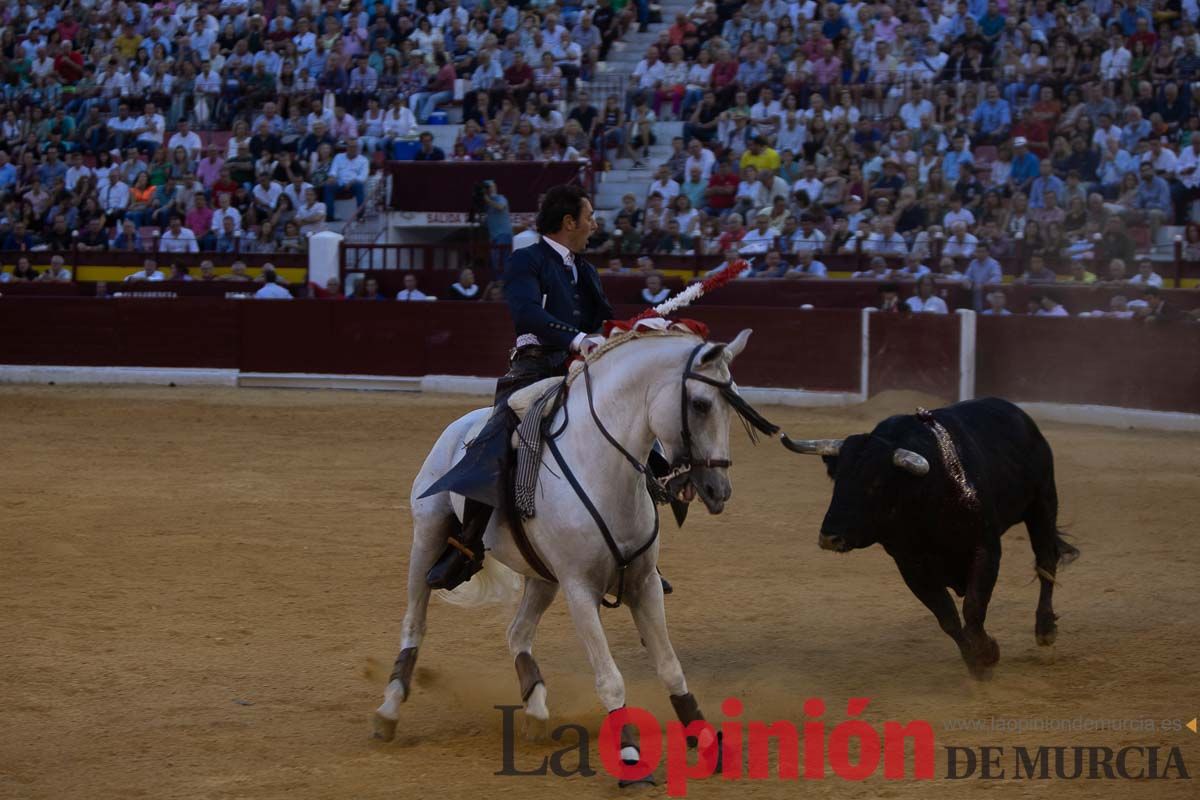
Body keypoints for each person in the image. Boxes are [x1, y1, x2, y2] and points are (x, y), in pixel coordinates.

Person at [420, 185, 614, 591]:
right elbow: (527, 313)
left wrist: (625, 334)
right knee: (498, 434)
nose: (594, 224)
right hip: (535, 367)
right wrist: (577, 339)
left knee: (631, 422)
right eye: (589, 216)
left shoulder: (586, 269)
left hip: (584, 369)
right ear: (568, 222)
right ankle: (467, 542)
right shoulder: (527, 261)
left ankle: (635, 541)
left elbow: (604, 322)